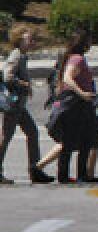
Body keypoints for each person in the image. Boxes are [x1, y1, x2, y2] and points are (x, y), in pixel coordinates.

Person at [0, 25, 54, 184]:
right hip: (14, 106)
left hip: (19, 106)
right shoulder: (16, 56)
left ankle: (35, 169)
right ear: (19, 40)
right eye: (28, 38)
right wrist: (24, 84)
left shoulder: (22, 56)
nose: (31, 41)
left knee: (32, 133)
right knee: (6, 137)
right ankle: (33, 169)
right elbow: (7, 76)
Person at [48, 30, 98, 184]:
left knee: (77, 140)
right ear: (84, 43)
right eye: (89, 41)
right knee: (81, 140)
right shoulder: (77, 59)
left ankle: (74, 175)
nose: (91, 43)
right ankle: (74, 176)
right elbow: (67, 77)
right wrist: (83, 93)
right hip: (76, 105)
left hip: (77, 104)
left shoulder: (72, 57)